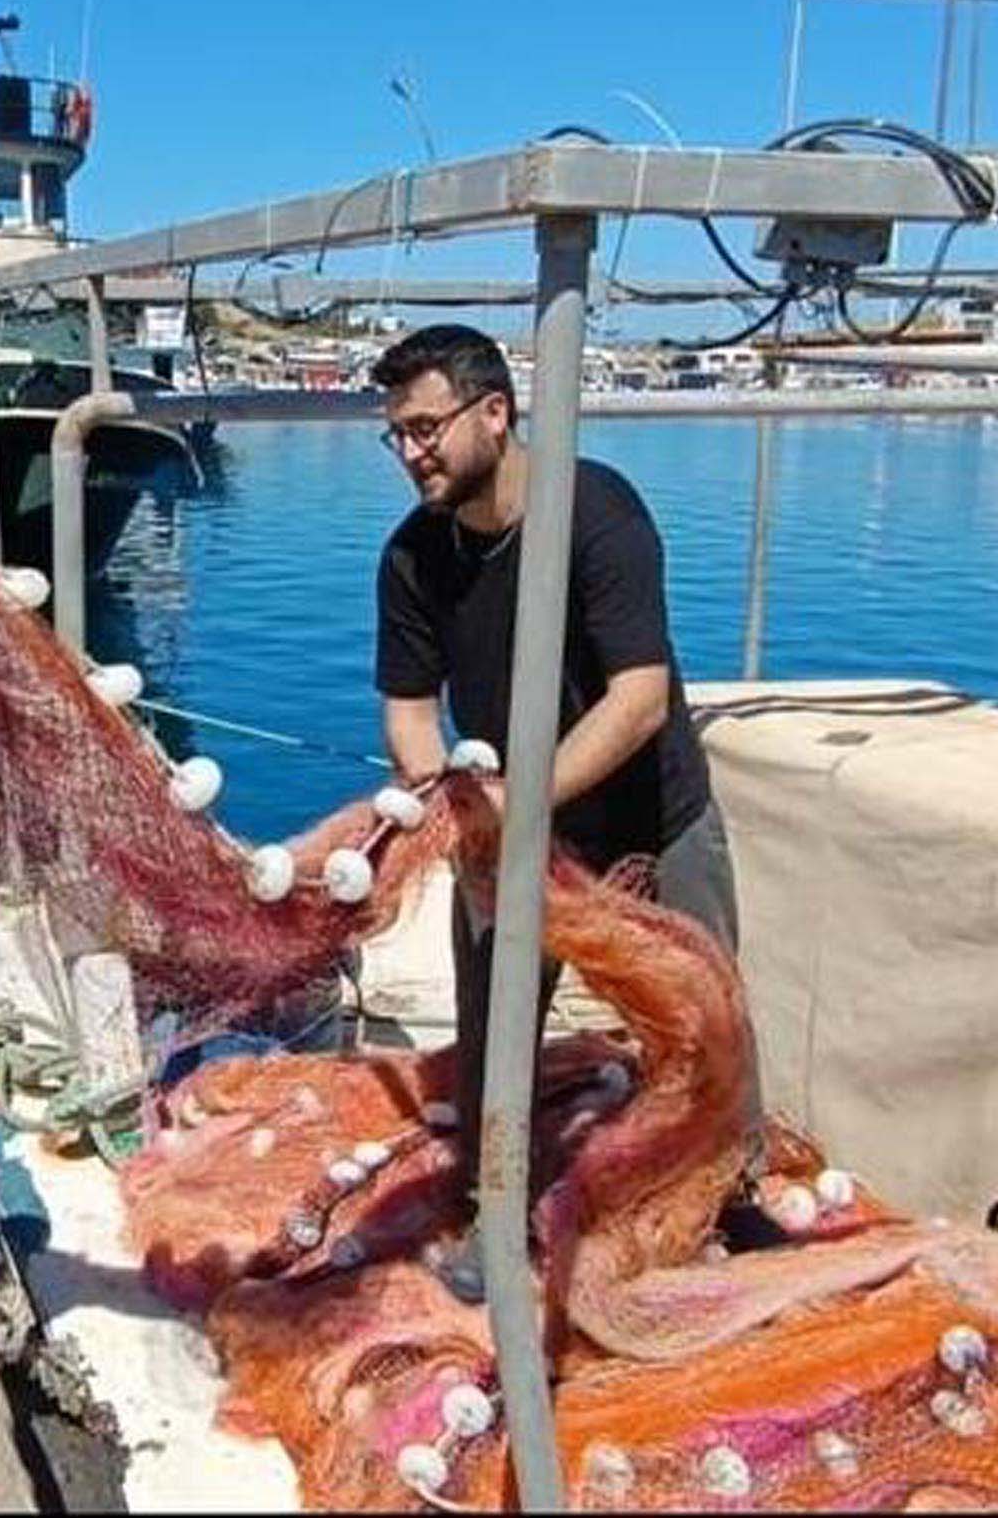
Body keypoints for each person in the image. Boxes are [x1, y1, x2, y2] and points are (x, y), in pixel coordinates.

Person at [368, 323, 753, 1292]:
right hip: (510, 831)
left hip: (651, 818)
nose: (412, 453)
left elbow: (639, 698)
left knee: (701, 1030)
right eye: (398, 435)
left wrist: (512, 799)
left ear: (494, 414)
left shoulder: (598, 513)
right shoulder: (413, 557)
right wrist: (449, 808)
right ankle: (496, 1217)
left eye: (426, 428)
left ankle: (721, 1201)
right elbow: (411, 709)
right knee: (495, 1031)